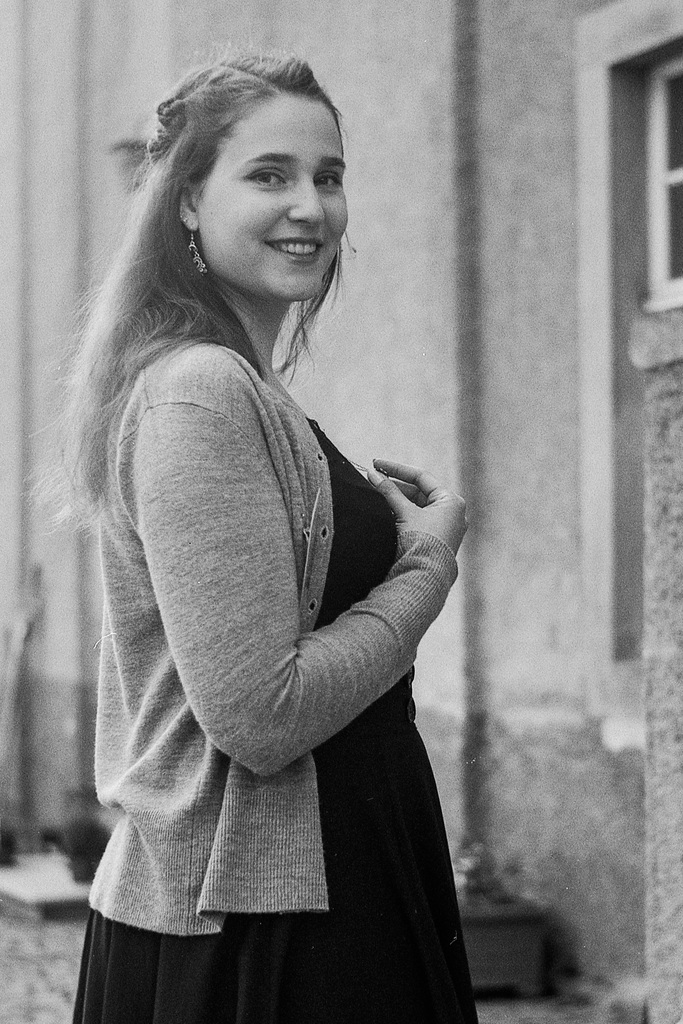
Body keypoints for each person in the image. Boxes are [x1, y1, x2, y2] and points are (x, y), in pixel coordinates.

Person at [64, 50, 478, 1024]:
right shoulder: (199, 391)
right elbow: (260, 713)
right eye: (268, 175)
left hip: (313, 889)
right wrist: (424, 563)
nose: (309, 206)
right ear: (187, 201)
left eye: (328, 176)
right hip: (258, 929)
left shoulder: (242, 386)